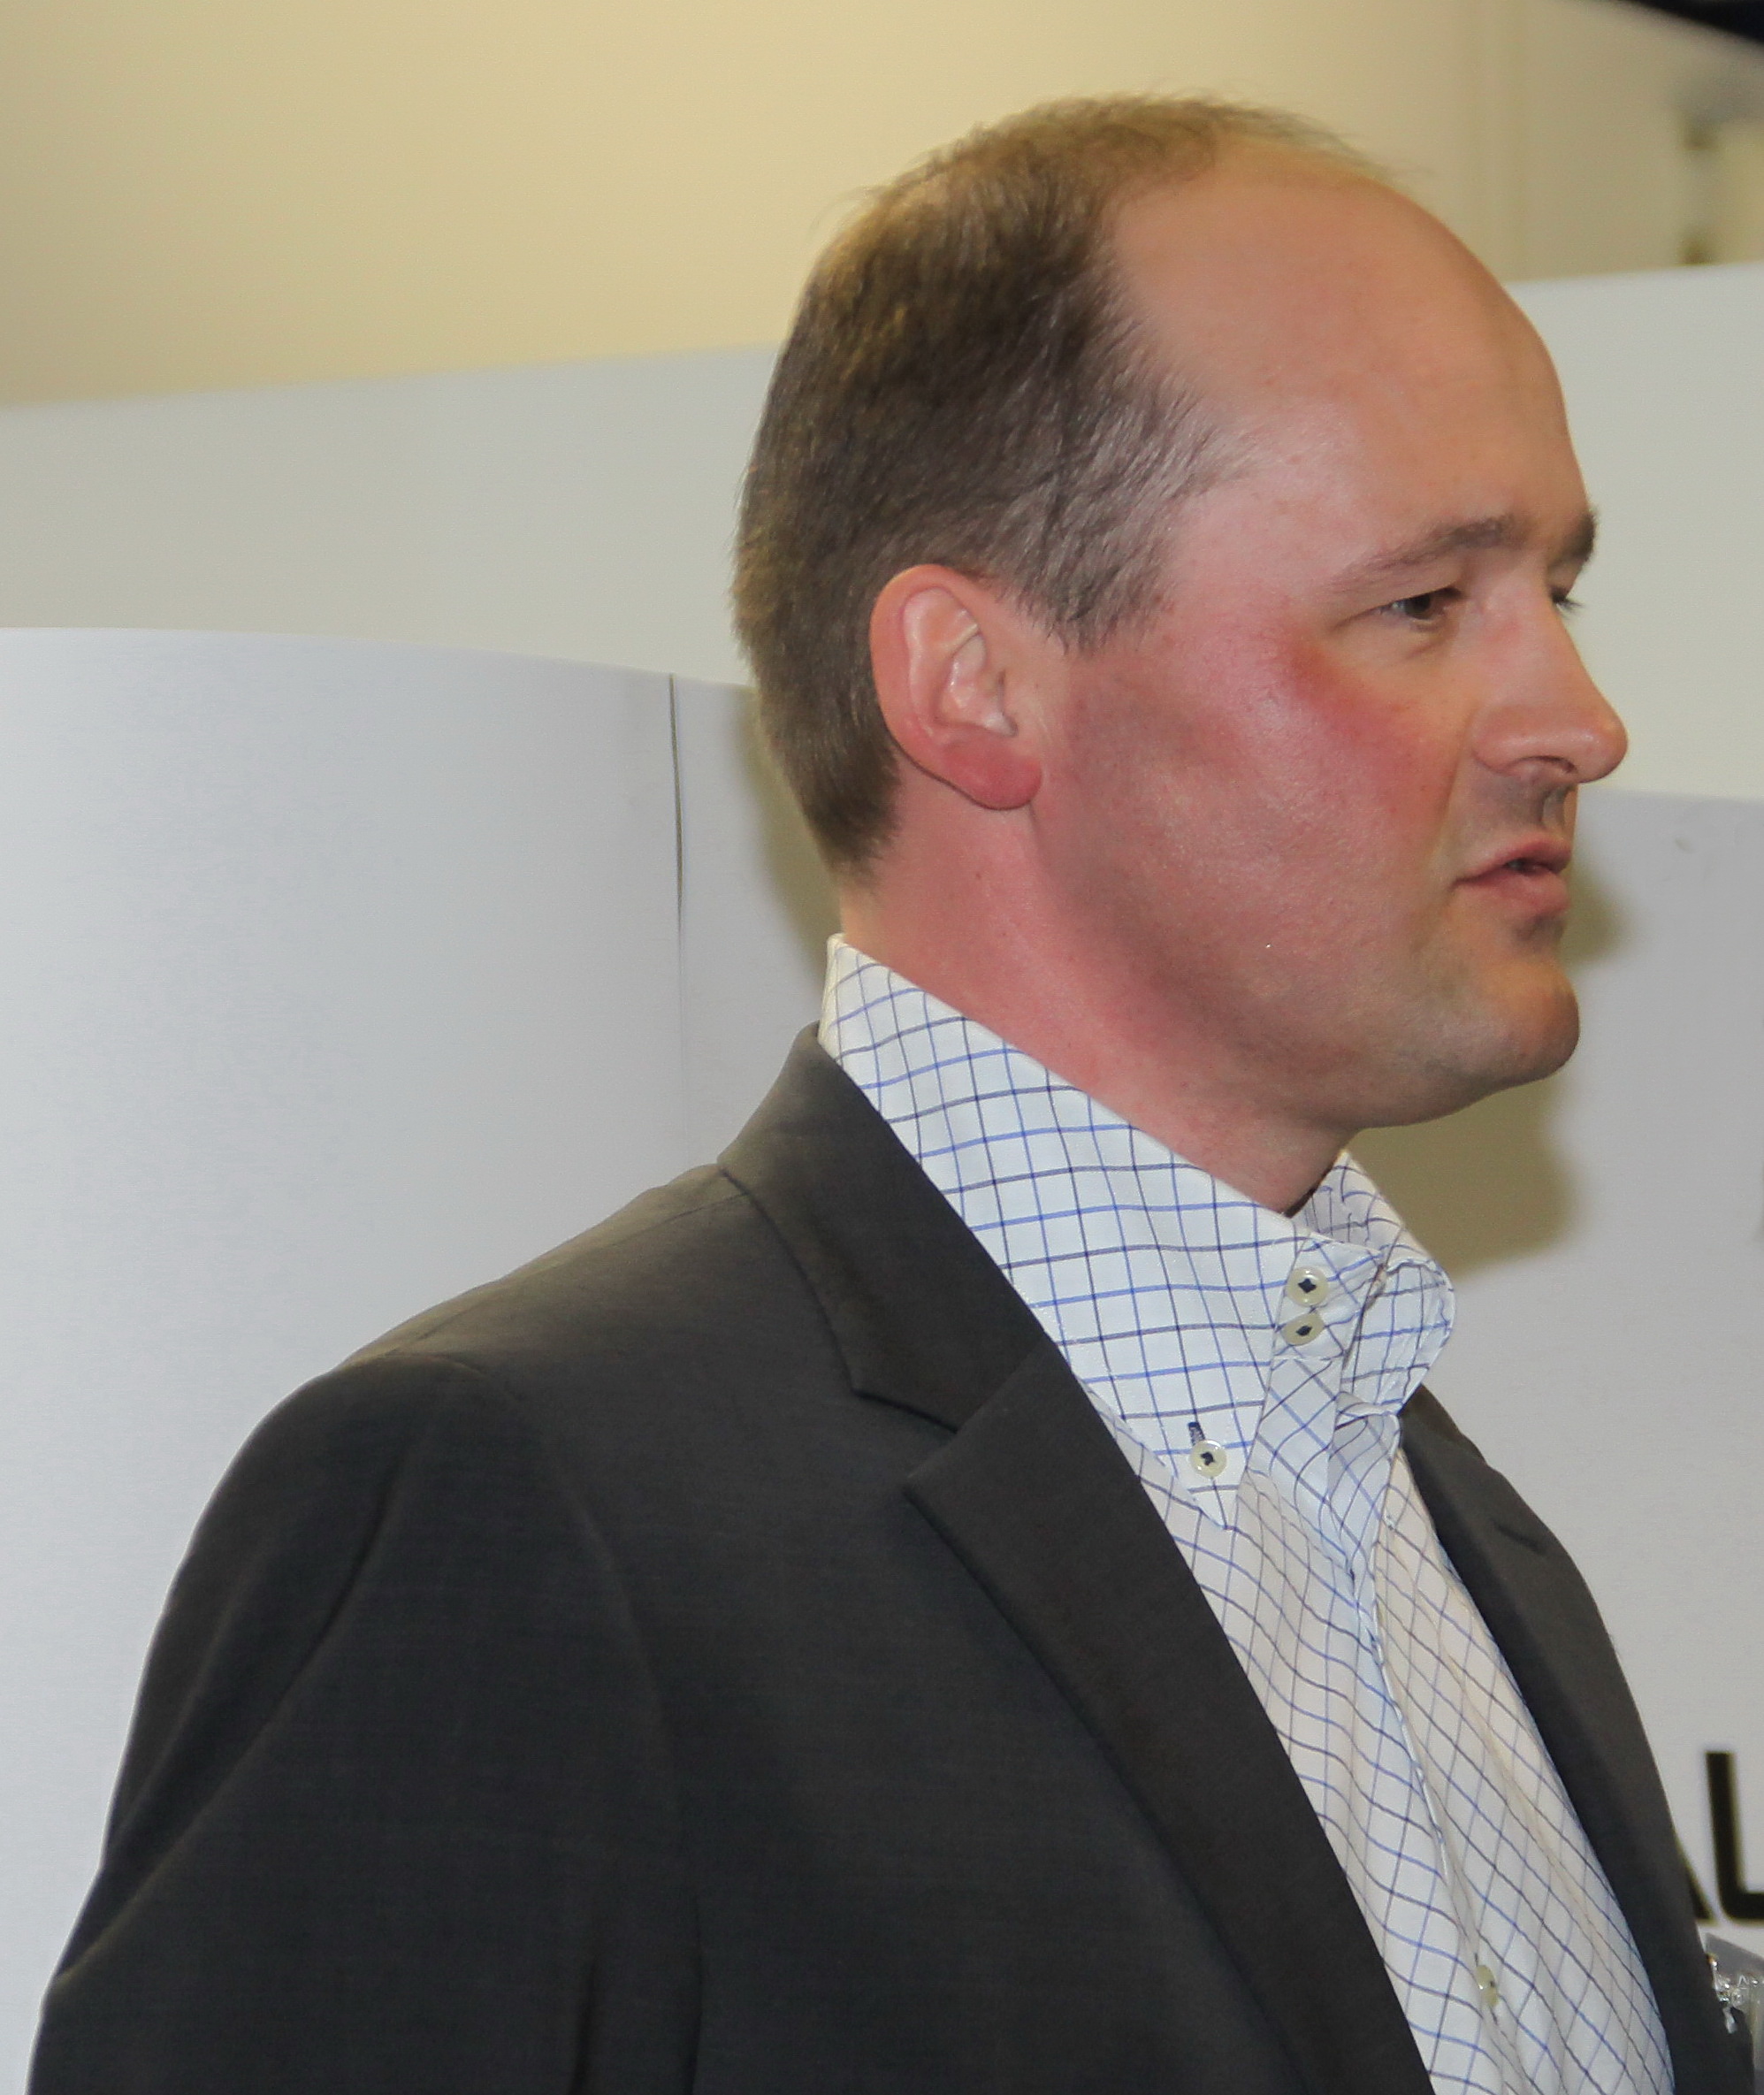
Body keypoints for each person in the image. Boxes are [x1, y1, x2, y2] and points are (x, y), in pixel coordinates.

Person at [29, 96, 1743, 2095]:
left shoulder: (1457, 1533)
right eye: (1423, 605)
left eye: (1557, 593)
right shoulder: (525, 1508)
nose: (1577, 720)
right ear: (974, 686)